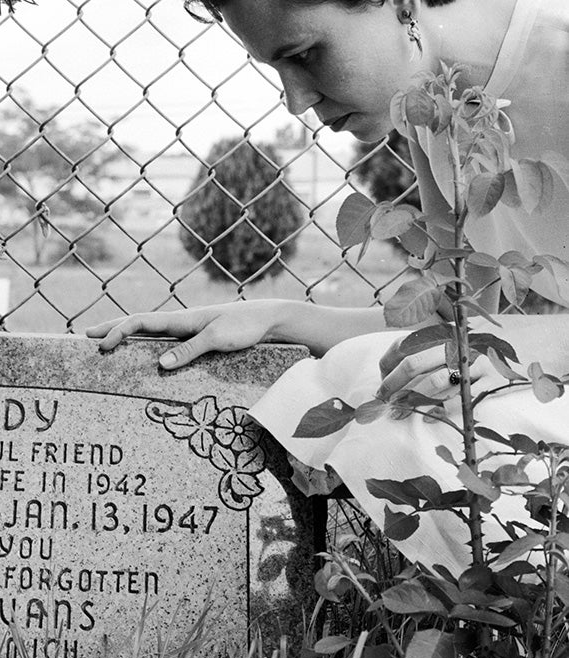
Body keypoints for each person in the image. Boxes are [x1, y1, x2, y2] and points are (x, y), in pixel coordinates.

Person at [87, 0, 569, 575]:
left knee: (421, 431)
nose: (297, 101)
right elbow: (449, 318)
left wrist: (520, 348)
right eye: (277, 69)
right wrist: (276, 317)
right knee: (364, 384)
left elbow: (476, 337)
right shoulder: (429, 101)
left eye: (306, 55)